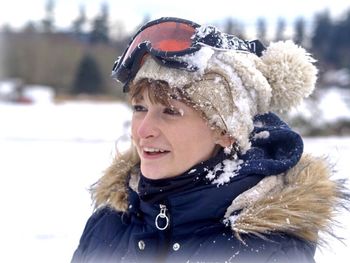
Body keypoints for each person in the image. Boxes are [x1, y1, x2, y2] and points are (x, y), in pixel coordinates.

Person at [71, 17, 349, 263]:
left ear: (225, 131)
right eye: (140, 108)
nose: (143, 131)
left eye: (170, 111)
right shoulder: (108, 224)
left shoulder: (268, 252)